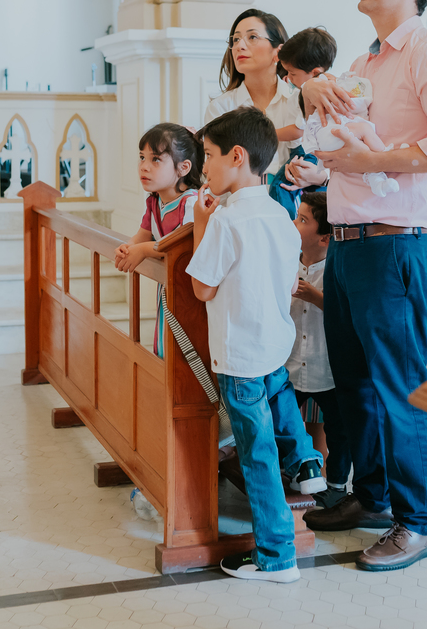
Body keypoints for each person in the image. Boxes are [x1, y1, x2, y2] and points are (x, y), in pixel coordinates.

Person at [297, 0, 427, 572]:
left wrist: (371, 160)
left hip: (397, 244)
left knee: (400, 385)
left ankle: (418, 521)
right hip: (350, 243)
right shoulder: (366, 61)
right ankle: (372, 498)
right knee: (356, 384)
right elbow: (351, 150)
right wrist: (320, 164)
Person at [186, 106, 326, 583]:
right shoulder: (281, 214)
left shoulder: (226, 222)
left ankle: (276, 556)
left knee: (256, 454)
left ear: (237, 156)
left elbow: (202, 288)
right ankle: (307, 459)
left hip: (240, 351)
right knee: (278, 402)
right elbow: (289, 281)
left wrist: (201, 225)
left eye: (208, 156)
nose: (204, 168)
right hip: (273, 344)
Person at [285, 192, 350, 509]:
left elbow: (347, 313)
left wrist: (315, 297)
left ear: (325, 237)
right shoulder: (287, 262)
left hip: (327, 366)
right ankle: (293, 469)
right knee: (282, 420)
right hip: (292, 363)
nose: (294, 224)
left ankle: (337, 485)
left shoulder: (337, 270)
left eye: (302, 220)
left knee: (339, 430)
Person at [115, 124, 202, 358]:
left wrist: (143, 249)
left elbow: (181, 248)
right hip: (167, 287)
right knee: (164, 346)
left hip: (189, 292)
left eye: (155, 160)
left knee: (183, 352)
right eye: (142, 157)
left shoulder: (192, 204)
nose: (144, 166)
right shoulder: (154, 201)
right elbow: (142, 235)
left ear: (183, 167)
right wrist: (129, 246)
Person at [204, 9, 301, 178]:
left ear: (278, 52)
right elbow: (216, 176)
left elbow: (320, 164)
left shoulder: (300, 101)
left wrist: (317, 177)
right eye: (235, 39)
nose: (239, 46)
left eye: (252, 37)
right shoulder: (220, 108)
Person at [267, 27, 338, 217]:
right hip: (317, 154)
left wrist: (268, 134)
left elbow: (298, 131)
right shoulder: (325, 85)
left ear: (315, 72)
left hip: (306, 152)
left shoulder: (310, 92)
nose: (288, 78)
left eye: (292, 73)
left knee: (279, 187)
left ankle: (287, 225)